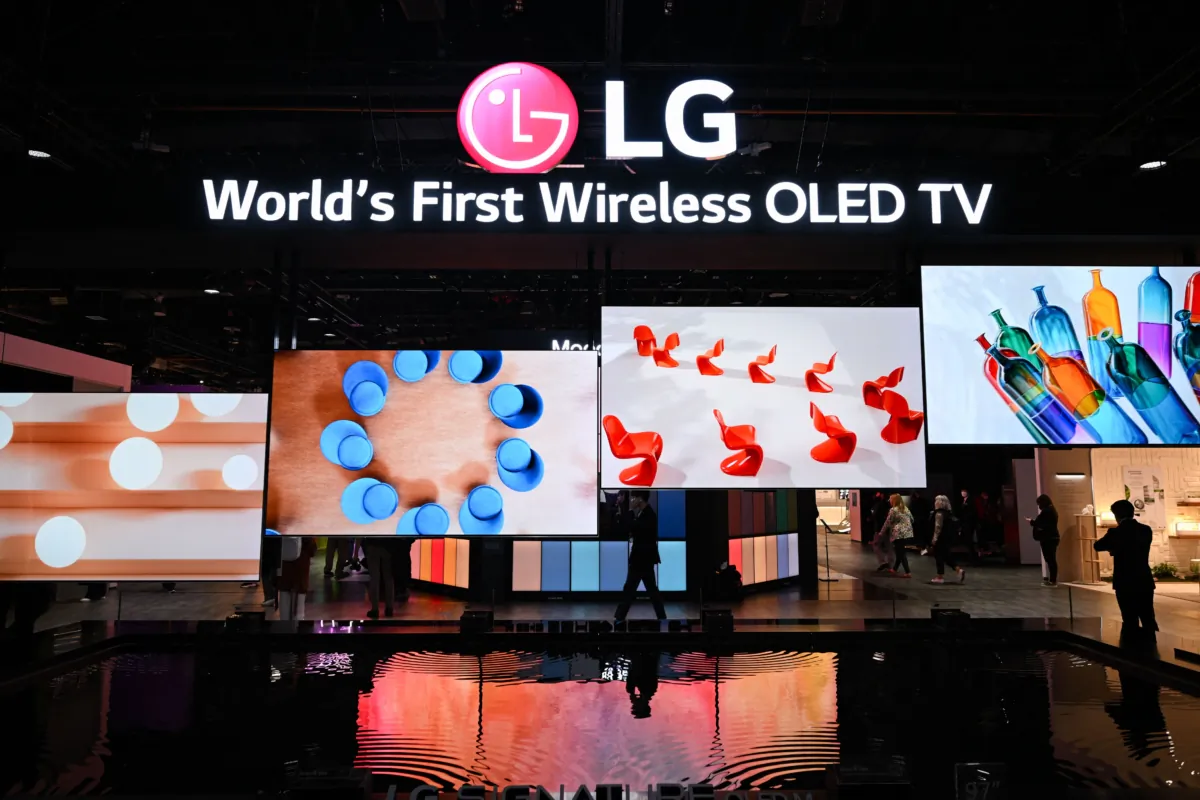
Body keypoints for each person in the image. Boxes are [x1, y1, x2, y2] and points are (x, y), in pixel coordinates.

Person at [1095, 500, 1158, 637]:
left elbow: (1097, 546)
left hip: (1124, 580)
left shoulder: (1115, 532)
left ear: (1116, 516)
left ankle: (1131, 650)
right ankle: (1153, 650)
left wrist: (1113, 548)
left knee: (1129, 618)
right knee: (1148, 616)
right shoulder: (1145, 530)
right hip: (1143, 578)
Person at [614, 490, 667, 623]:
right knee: (648, 590)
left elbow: (634, 527)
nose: (631, 500)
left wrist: (630, 512)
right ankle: (662, 618)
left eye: (633, 498)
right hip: (642, 559)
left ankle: (619, 618)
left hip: (642, 559)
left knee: (632, 588)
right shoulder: (644, 514)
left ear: (640, 499)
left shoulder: (649, 515)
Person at [929, 494, 966, 584]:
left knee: (939, 557)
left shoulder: (939, 514)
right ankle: (958, 570)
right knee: (946, 555)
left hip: (940, 538)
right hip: (947, 538)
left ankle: (940, 576)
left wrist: (934, 539)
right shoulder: (948, 513)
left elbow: (938, 527)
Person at [277, 537, 317, 621]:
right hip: (301, 565)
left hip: (284, 564)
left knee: (284, 594)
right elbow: (311, 549)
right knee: (299, 605)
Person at [1028, 494, 1060, 586]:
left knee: (1050, 559)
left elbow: (1041, 524)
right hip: (1052, 537)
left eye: (1039, 504)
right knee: (1051, 559)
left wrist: (1032, 522)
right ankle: (1052, 579)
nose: (1039, 506)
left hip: (1048, 538)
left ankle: (1053, 580)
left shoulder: (1047, 511)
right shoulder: (1052, 510)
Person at [879, 494, 915, 577]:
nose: (889, 501)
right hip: (907, 533)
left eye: (891, 499)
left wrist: (882, 532)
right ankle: (894, 569)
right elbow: (912, 519)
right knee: (900, 551)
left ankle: (908, 572)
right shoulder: (906, 509)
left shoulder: (893, 510)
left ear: (894, 501)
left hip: (898, 533)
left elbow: (887, 522)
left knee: (901, 553)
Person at [363, 538, 395, 619]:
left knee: (374, 577)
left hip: (372, 544)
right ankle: (389, 608)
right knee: (388, 577)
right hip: (388, 546)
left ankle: (375, 609)